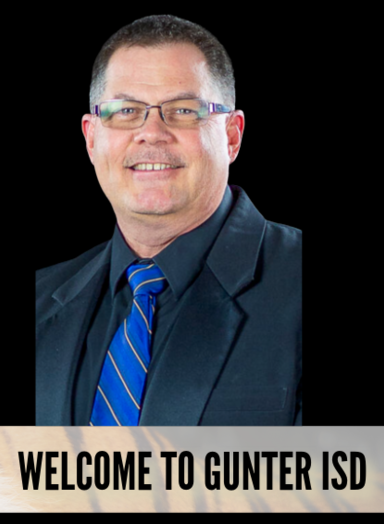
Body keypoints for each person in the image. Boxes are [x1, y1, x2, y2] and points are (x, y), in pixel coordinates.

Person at [35, 15, 301, 426]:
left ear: (232, 136)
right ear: (91, 138)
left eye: (183, 110)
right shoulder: (40, 298)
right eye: (125, 111)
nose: (151, 133)